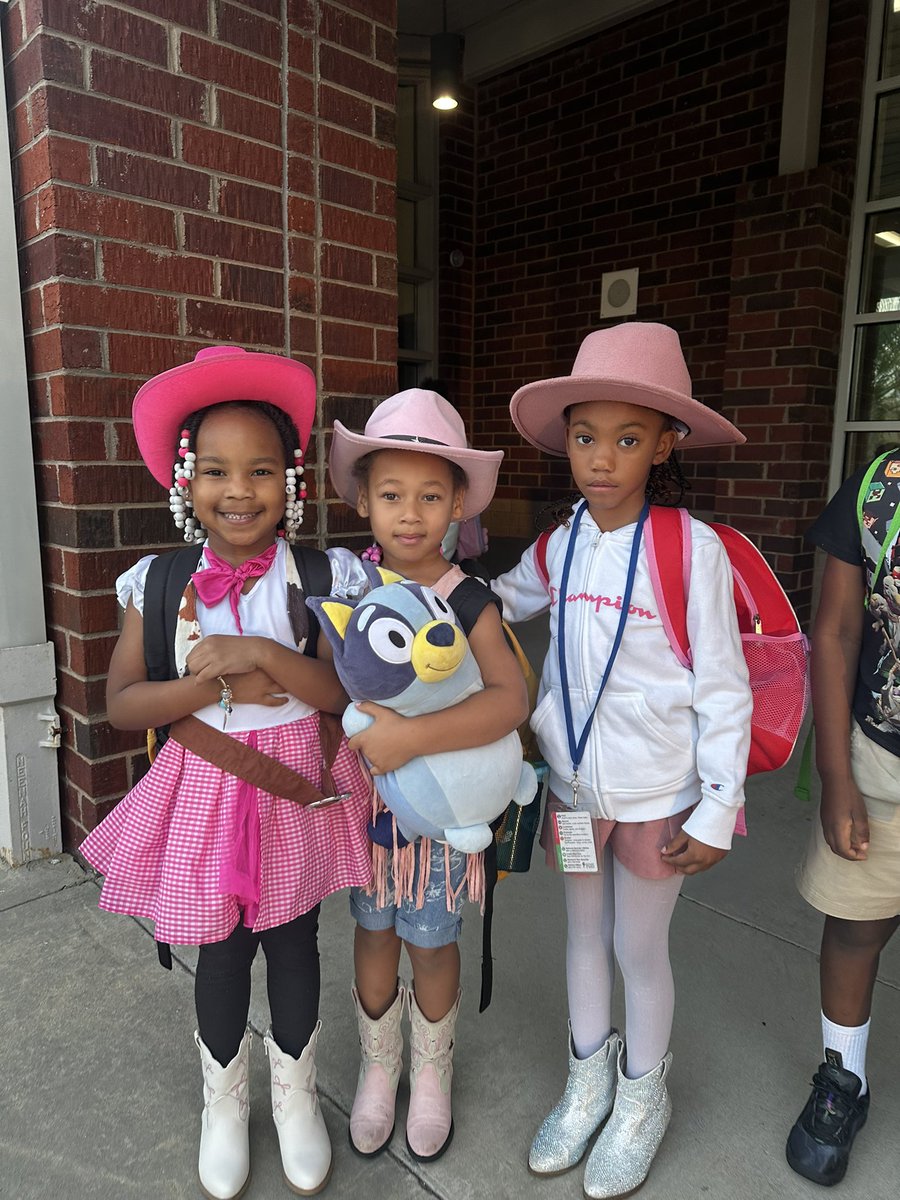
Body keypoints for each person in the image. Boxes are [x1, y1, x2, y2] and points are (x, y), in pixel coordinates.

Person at [79, 345, 373, 1200]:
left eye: (259, 471)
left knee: (292, 940)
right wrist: (202, 679)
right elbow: (122, 703)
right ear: (185, 481)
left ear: (291, 482)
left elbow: (342, 690)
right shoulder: (162, 581)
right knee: (220, 948)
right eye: (214, 471)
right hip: (205, 789)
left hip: (294, 785)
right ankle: (223, 1102)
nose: (237, 492)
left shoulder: (317, 576)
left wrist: (263, 655)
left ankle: (294, 1100)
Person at [491, 322, 754, 1199]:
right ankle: (586, 1082)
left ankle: (643, 1099)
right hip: (573, 795)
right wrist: (423, 589)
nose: (602, 459)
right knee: (579, 933)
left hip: (655, 804)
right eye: (585, 436)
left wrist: (717, 808)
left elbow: (724, 689)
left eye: (628, 438)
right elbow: (495, 604)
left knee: (639, 948)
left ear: (666, 442)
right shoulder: (560, 544)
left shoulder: (693, 551)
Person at [326, 388, 528, 1162]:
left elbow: (508, 699)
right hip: (368, 809)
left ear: (456, 507)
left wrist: (412, 737)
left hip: (443, 810)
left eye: (431, 495)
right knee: (372, 929)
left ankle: (433, 1074)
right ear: (364, 502)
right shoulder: (352, 595)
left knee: (432, 939)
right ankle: (382, 1069)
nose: (410, 513)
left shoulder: (469, 599)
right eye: (391, 494)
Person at [786, 445, 900, 1187]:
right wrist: (835, 776)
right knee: (857, 927)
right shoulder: (877, 490)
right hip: (882, 768)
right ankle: (842, 1081)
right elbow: (836, 631)